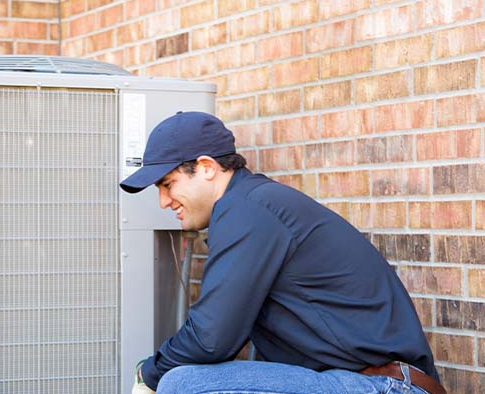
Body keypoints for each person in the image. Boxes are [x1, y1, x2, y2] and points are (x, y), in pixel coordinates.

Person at [121, 112, 446, 394]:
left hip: (385, 386)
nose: (163, 201)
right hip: (358, 381)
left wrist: (148, 374)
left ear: (206, 167)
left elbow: (211, 338)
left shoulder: (247, 212)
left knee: (182, 385)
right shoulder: (253, 206)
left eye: (168, 184)